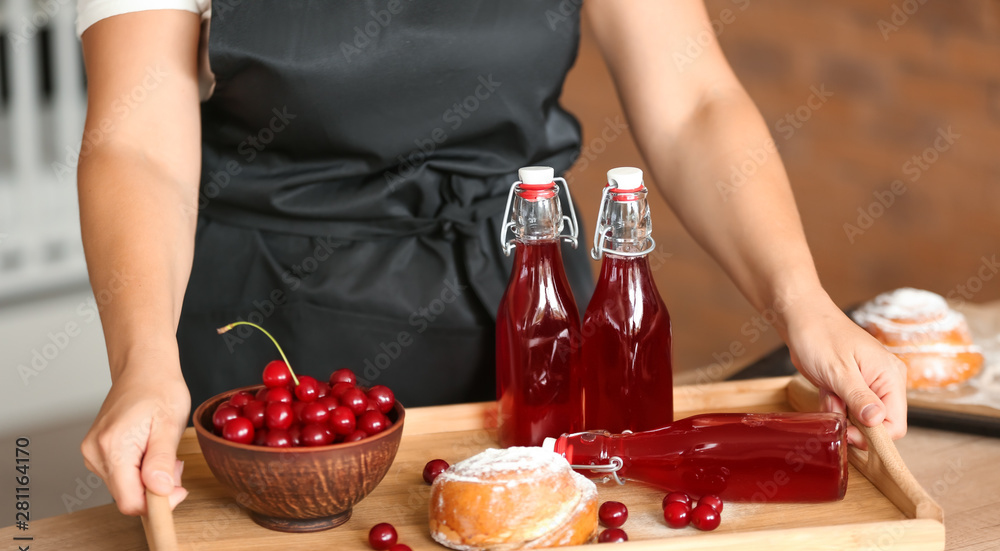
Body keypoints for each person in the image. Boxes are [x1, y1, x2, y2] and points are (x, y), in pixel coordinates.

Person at [77, 0, 907, 516]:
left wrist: (803, 300)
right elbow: (137, 142)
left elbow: (693, 100)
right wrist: (142, 353)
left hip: (527, 300)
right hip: (272, 339)